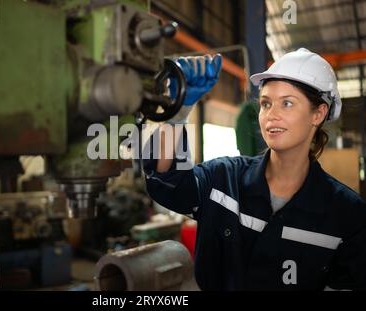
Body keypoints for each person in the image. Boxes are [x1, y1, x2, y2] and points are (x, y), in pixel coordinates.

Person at [143, 48, 366, 290]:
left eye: (287, 104)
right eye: (265, 103)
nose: (271, 115)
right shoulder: (223, 179)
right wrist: (177, 114)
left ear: (318, 113)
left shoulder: (347, 214)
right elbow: (167, 183)